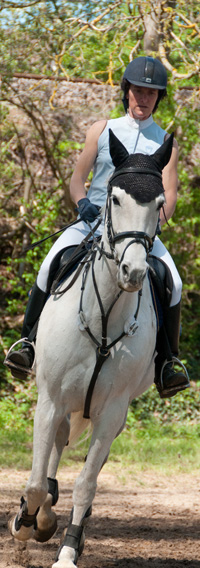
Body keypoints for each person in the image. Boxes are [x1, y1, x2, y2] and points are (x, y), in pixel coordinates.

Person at [5, 56, 189, 397]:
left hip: (140, 233)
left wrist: (154, 224)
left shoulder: (166, 144)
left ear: (158, 98)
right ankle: (27, 342)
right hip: (94, 223)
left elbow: (171, 195)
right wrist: (83, 204)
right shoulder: (102, 130)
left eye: (151, 93)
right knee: (51, 261)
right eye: (137, 90)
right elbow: (77, 181)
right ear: (127, 92)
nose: (143, 98)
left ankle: (167, 363)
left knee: (173, 282)